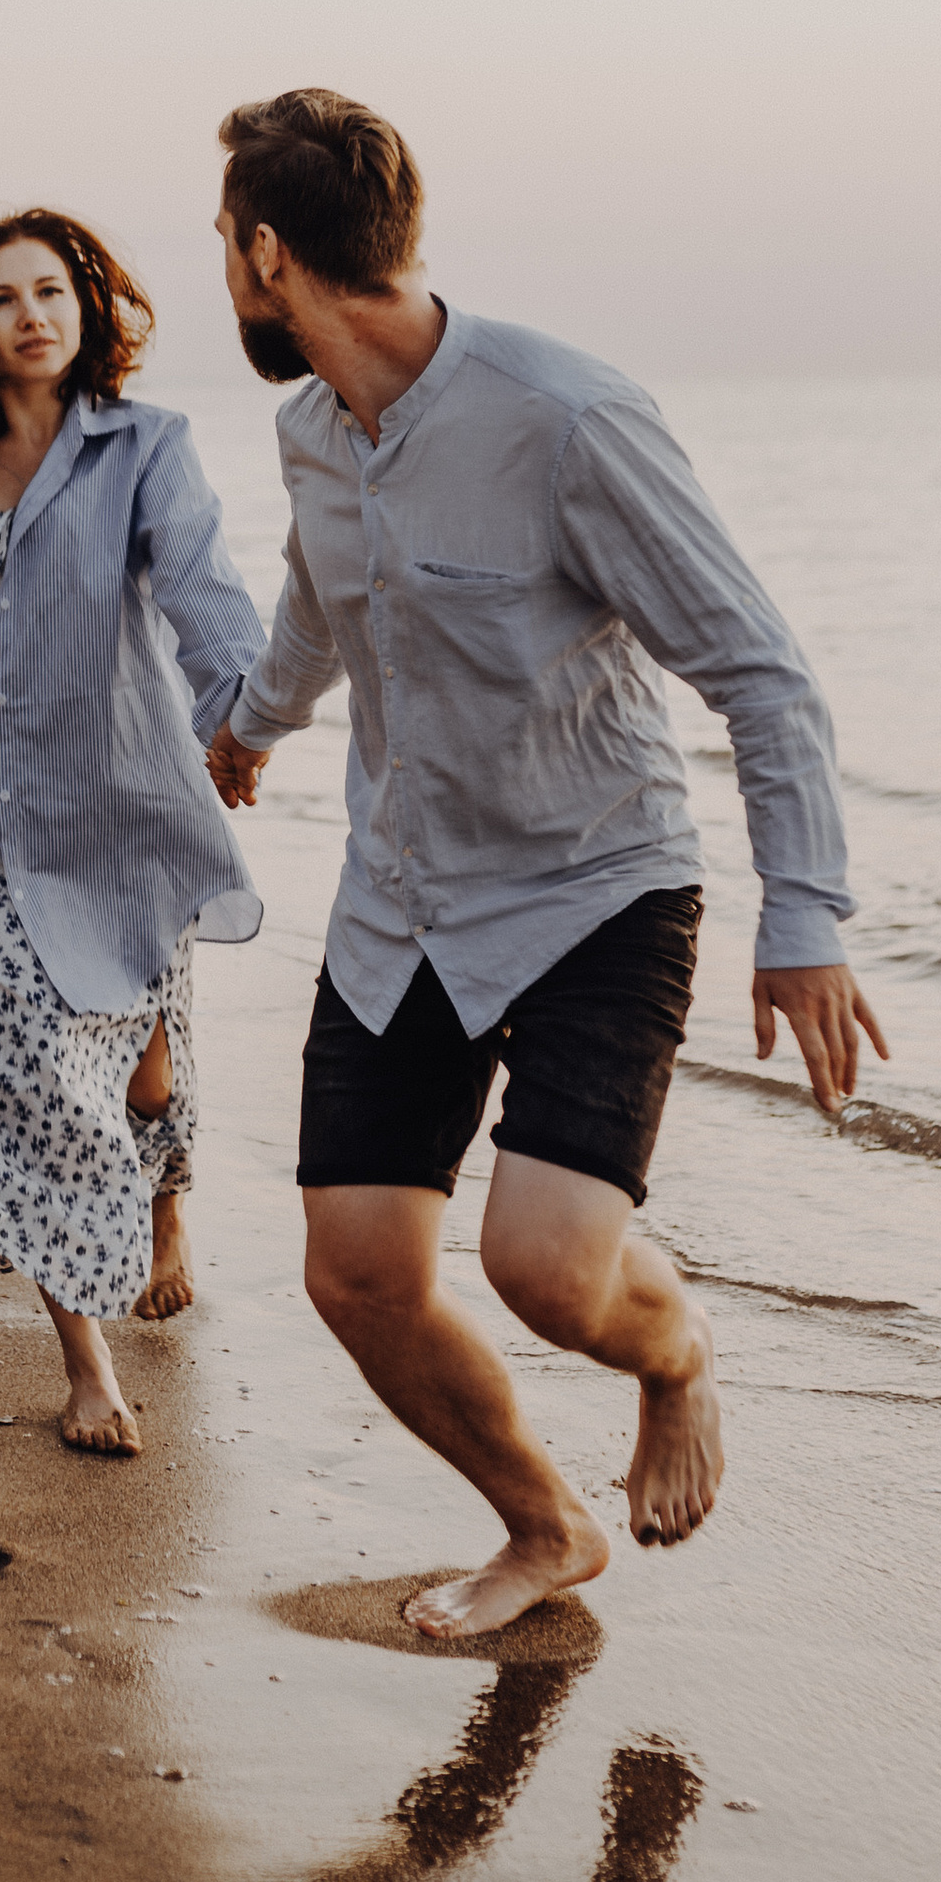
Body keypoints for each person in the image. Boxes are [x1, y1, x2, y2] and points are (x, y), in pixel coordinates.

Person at [200, 89, 886, 1636]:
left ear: (263, 251)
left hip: (598, 885)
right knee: (357, 1271)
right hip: (405, 897)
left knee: (548, 1271)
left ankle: (678, 1351)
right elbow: (321, 603)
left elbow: (762, 671)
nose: (227, 281)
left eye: (225, 253)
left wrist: (808, 916)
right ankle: (543, 1524)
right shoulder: (313, 427)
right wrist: (246, 727)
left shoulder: (565, 416)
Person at [0, 210, 266, 1455]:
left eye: (54, 290)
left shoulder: (147, 447)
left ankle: (165, 1210)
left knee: (145, 1067)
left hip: (123, 804)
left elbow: (205, 592)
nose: (33, 313)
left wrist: (240, 721)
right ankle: (86, 1358)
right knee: (32, 1076)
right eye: (3, 297)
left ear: (91, 308)